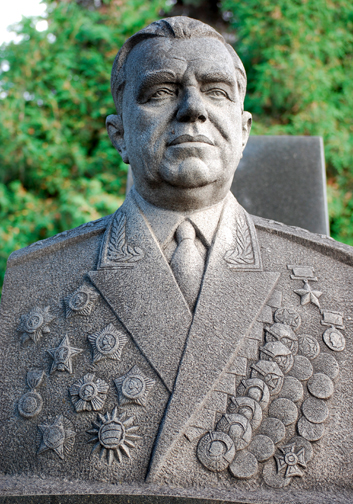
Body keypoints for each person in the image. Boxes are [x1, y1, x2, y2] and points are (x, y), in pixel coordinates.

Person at [1, 16, 353, 502]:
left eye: (217, 91)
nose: (193, 110)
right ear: (119, 132)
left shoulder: (338, 282)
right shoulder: (34, 280)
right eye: (160, 92)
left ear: (244, 129)